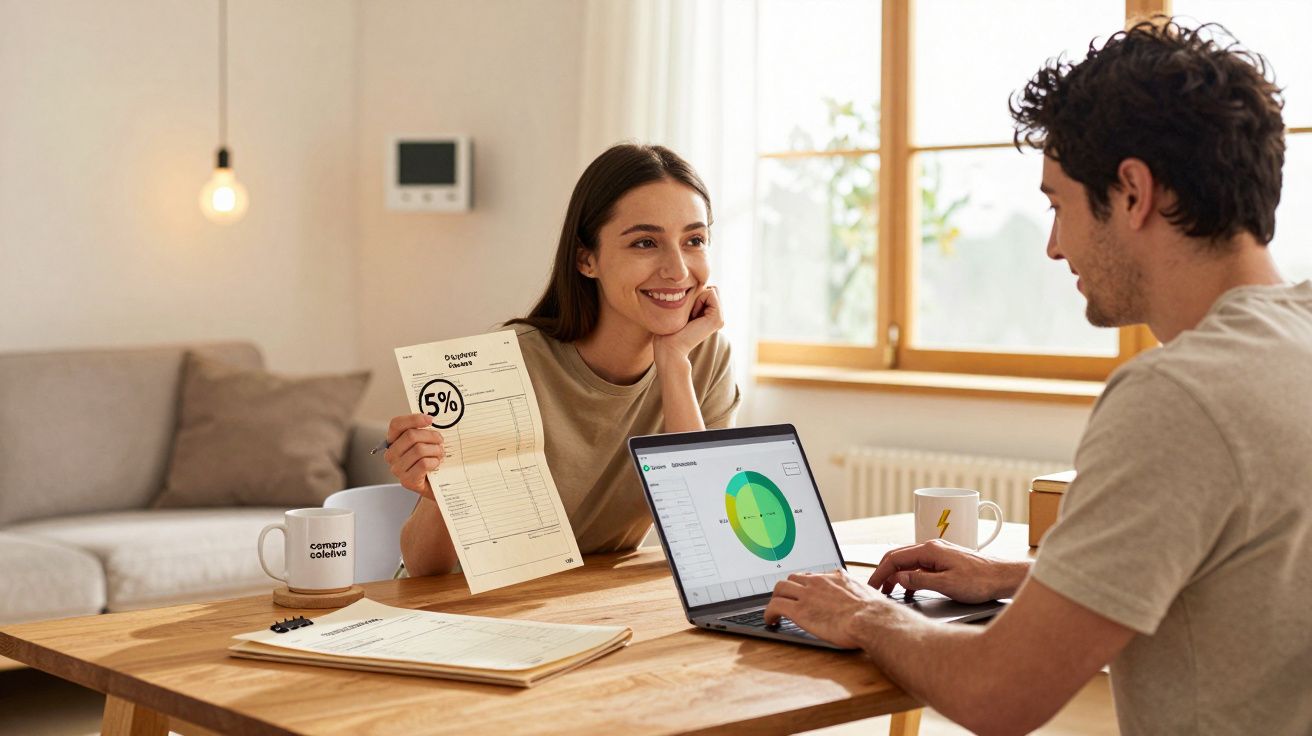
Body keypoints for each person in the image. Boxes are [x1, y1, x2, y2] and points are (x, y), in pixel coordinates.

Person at [765, 19, 1312, 735]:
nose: (1054, 248)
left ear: (1133, 192)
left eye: (1059, 205)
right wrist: (1017, 581)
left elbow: (1000, 694)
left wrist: (864, 614)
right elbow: (1243, 583)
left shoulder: (1178, 395)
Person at [385, 144, 740, 577]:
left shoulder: (701, 356)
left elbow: (707, 537)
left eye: (694, 240)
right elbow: (423, 570)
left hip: (590, 606)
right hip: (481, 609)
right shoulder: (500, 365)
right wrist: (437, 496)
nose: (678, 269)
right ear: (586, 259)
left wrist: (673, 365)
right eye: (646, 242)